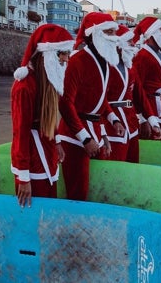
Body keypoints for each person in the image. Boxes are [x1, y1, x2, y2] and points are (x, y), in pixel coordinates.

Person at [57, 12, 126, 200]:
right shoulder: (77, 61)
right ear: (95, 34)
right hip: (74, 136)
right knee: (78, 192)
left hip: (95, 130)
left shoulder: (105, 61)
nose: (114, 37)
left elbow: (99, 98)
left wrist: (113, 120)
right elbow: (65, 103)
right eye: (109, 32)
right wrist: (85, 139)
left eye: (114, 32)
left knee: (96, 188)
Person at [11, 24, 74, 207]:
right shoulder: (24, 86)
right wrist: (23, 177)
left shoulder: (47, 80)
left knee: (49, 206)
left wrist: (56, 142)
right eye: (64, 54)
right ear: (49, 54)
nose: (67, 59)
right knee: (34, 213)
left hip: (46, 151)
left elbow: (48, 115)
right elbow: (20, 132)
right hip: (31, 159)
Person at [100, 24, 161, 162]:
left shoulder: (130, 67)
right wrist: (109, 122)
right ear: (119, 42)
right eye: (129, 41)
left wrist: (152, 121)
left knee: (133, 160)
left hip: (131, 122)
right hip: (112, 124)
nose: (133, 44)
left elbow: (140, 96)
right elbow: (99, 97)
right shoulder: (106, 65)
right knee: (116, 161)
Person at [131, 16, 161, 140]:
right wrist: (142, 118)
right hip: (148, 107)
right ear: (152, 33)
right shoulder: (142, 56)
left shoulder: (159, 54)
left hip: (159, 107)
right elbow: (136, 90)